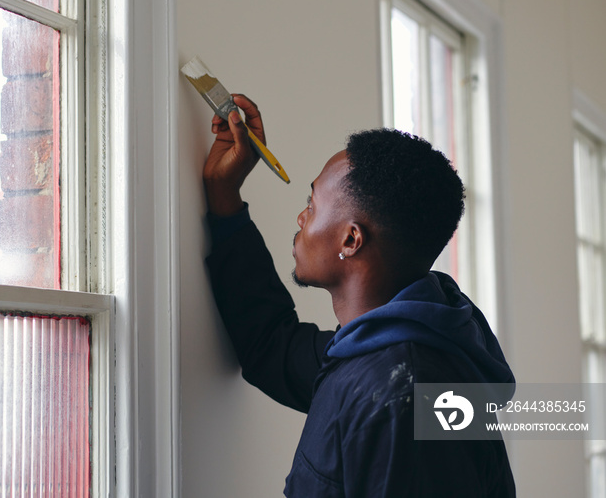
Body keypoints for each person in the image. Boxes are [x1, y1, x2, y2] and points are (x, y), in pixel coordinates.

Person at [203, 94, 516, 497]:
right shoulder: (382, 351)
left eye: (311, 205)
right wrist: (223, 197)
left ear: (351, 239)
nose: (301, 218)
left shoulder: (402, 395)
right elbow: (271, 347)